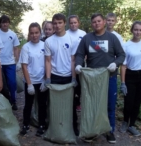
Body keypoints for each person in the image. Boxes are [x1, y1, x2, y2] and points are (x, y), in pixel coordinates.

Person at [75, 13, 125, 143]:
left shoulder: (112, 38)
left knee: (109, 104)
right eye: (94, 22)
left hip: (109, 77)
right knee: (92, 105)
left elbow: (121, 55)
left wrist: (116, 63)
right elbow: (79, 54)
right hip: (92, 78)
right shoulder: (87, 38)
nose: (96, 23)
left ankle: (109, 131)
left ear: (104, 22)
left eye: (99, 21)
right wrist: (78, 65)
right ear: (92, 24)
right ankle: (91, 131)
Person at [45, 13, 79, 136]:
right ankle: (53, 127)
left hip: (68, 76)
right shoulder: (49, 41)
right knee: (54, 104)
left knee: (72, 104)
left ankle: (73, 126)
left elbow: (73, 60)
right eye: (55, 23)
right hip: (54, 76)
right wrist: (48, 78)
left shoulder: (72, 40)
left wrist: (74, 77)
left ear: (65, 23)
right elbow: (48, 61)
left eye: (60, 23)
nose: (57, 25)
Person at [19, 22, 48, 137]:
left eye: (36, 33)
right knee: (28, 104)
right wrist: (29, 84)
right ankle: (25, 124)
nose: (34, 35)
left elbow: (48, 62)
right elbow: (24, 66)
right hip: (30, 81)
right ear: (29, 34)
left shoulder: (45, 45)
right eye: (32, 33)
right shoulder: (26, 47)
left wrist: (46, 79)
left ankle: (42, 124)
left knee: (42, 104)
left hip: (42, 81)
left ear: (40, 33)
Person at [0, 15, 20, 110]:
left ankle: (13, 101)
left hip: (10, 63)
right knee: (1, 84)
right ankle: (4, 103)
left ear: (9, 23)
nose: (5, 24)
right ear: (0, 23)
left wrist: (18, 61)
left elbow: (16, 48)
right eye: (3, 22)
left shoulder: (13, 34)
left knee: (12, 83)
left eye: (6, 22)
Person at [66, 15, 86, 112]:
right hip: (68, 61)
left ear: (78, 23)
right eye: (71, 23)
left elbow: (87, 47)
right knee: (70, 81)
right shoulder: (65, 34)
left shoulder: (83, 33)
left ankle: (78, 103)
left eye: (75, 22)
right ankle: (69, 102)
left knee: (78, 83)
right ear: (68, 24)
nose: (73, 24)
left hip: (80, 62)